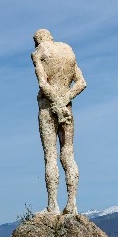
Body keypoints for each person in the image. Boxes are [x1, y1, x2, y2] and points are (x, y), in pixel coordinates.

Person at [31, 29, 86, 215]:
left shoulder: (40, 52)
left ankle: (52, 205)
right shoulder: (67, 51)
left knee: (50, 156)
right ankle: (72, 203)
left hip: (48, 107)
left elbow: (43, 83)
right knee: (68, 154)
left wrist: (55, 102)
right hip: (67, 108)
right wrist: (64, 101)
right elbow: (81, 83)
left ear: (38, 40)